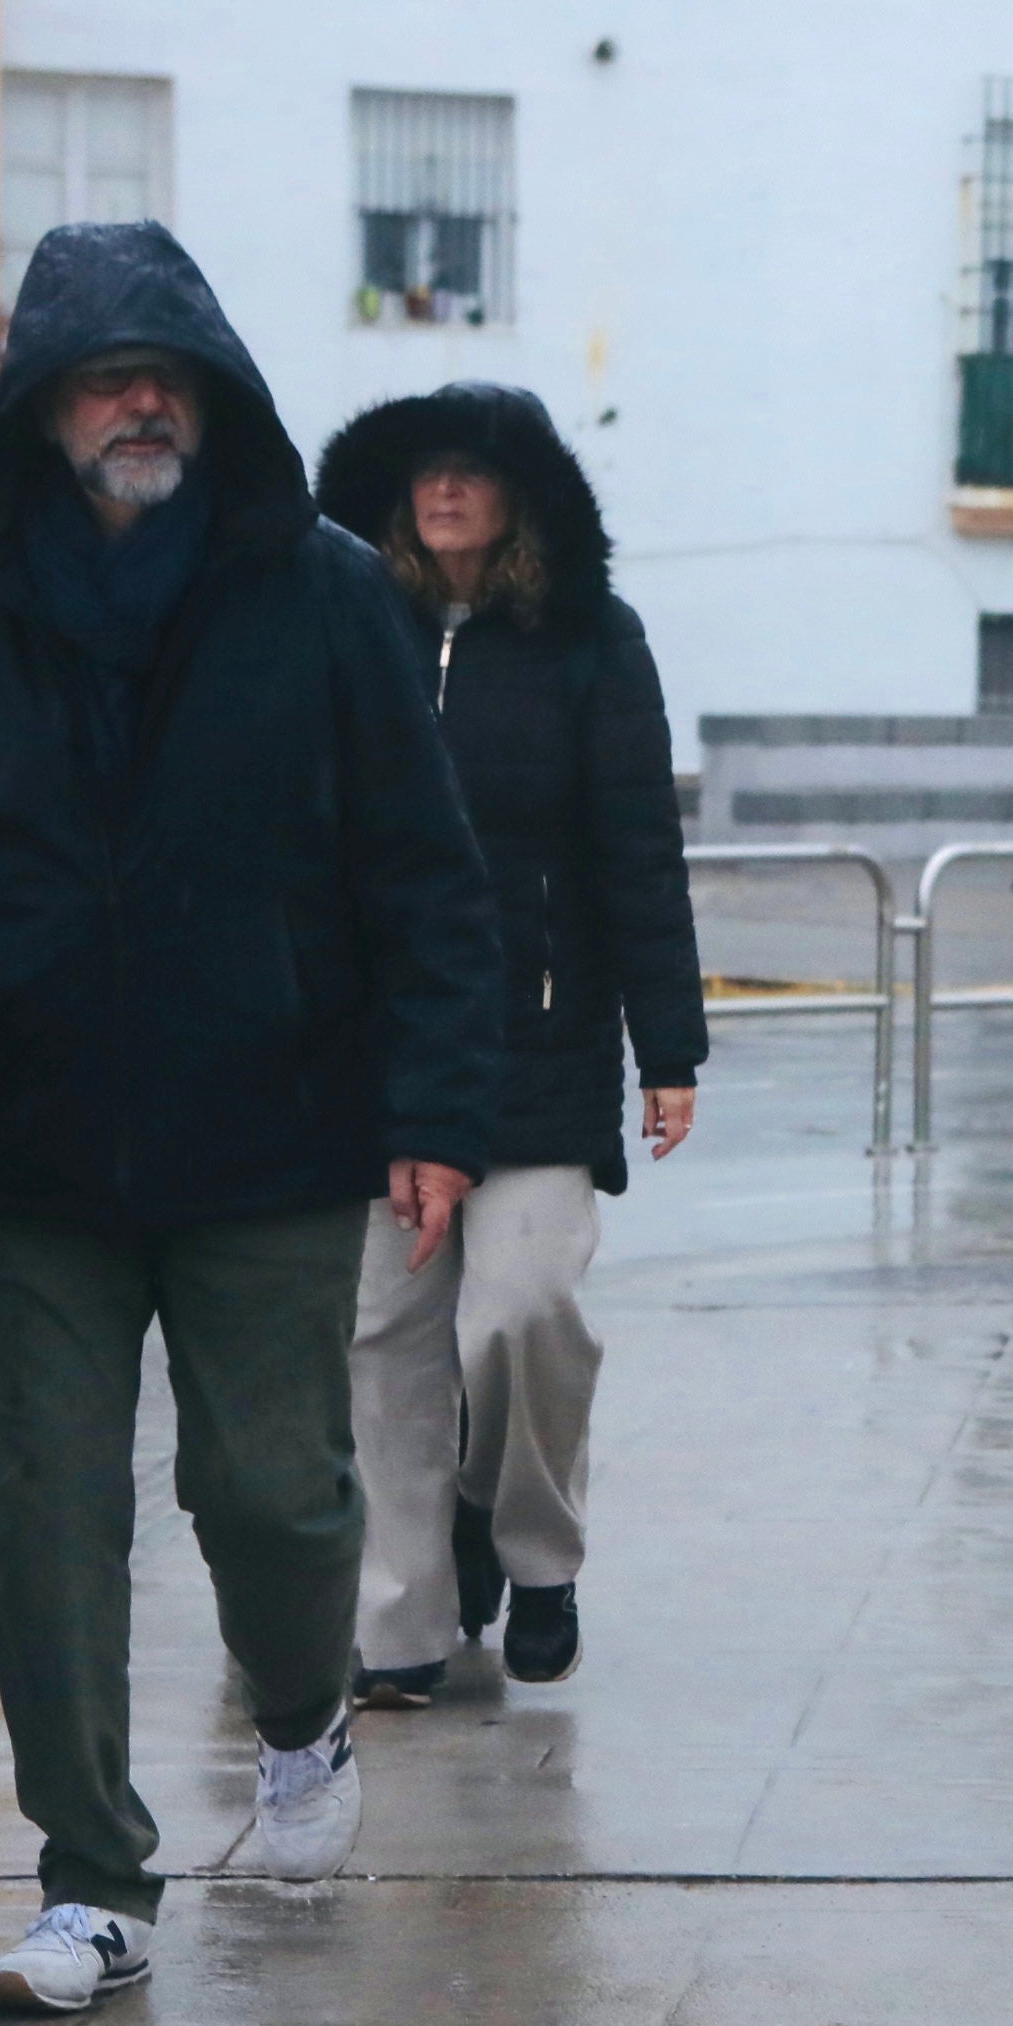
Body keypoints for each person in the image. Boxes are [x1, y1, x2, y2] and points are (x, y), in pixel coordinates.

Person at [0, 223, 504, 2017]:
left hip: (270, 1126)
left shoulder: (323, 591)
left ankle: (298, 1719)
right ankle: (93, 1881)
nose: (137, 401)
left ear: (207, 394)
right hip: (39, 1138)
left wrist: (432, 1104)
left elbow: (425, 874)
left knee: (266, 1490)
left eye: (163, 372)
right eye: (104, 374)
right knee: (46, 1509)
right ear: (39, 407)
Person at [311, 384, 706, 1702]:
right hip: (371, 1050)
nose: (443, 489)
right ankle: (403, 1625)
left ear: (519, 493)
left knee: (519, 1316)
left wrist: (670, 1051)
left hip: (538, 1048)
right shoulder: (355, 629)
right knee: (384, 1341)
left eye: (470, 470)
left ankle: (535, 1553)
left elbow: (640, 853)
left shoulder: (592, 641)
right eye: (424, 471)